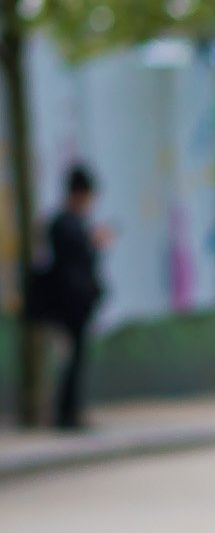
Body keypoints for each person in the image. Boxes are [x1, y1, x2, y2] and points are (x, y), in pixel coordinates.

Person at [26, 164, 108, 428]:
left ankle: (68, 412)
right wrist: (92, 244)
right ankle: (65, 414)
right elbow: (75, 265)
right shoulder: (66, 224)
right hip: (68, 305)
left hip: (73, 304)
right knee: (70, 359)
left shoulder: (66, 224)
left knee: (73, 359)